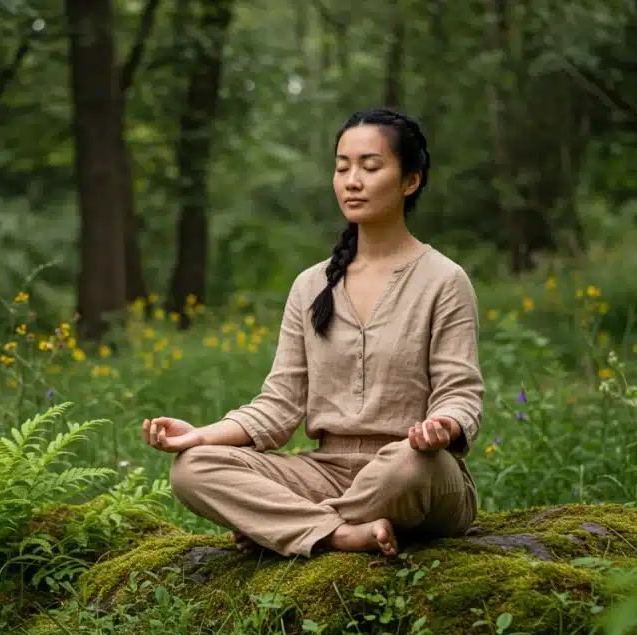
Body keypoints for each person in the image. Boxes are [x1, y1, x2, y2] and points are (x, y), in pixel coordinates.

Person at [141, 107, 482, 558]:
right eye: (342, 167)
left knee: (405, 469)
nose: (352, 180)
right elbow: (279, 405)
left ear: (410, 180)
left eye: (370, 166)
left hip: (416, 469)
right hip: (325, 469)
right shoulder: (310, 285)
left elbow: (461, 393)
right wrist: (202, 435)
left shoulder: (444, 280)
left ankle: (292, 527)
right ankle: (340, 533)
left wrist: (444, 427)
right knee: (192, 470)